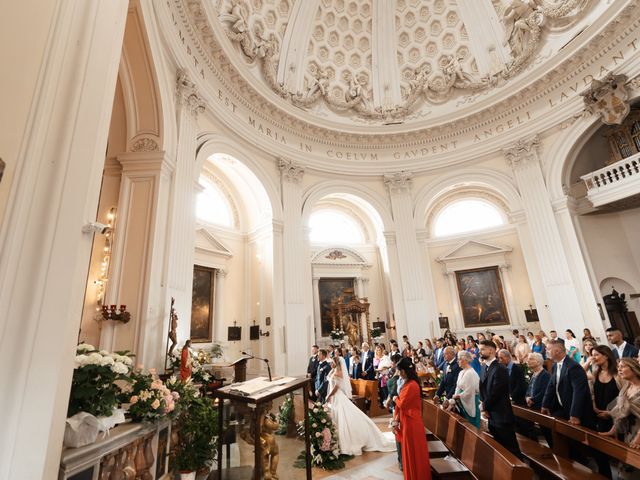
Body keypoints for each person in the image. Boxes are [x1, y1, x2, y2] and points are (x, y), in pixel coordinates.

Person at [325, 357, 396, 456]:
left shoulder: (339, 372)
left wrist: (329, 395)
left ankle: (348, 440)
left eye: (332, 363)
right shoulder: (334, 370)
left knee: (344, 416)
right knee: (339, 416)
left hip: (338, 396)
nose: (330, 364)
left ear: (336, 363)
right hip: (335, 397)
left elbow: (337, 386)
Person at [479, 340, 521, 457]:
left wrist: (484, 407)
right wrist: (484, 407)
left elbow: (496, 392)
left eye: (482, 349)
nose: (479, 352)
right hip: (490, 413)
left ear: (491, 350)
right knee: (499, 448)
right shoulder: (483, 367)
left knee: (511, 448)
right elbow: (482, 387)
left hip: (502, 414)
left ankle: (522, 473)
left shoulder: (500, 368)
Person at [542, 339, 596, 428]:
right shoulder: (555, 365)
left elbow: (579, 392)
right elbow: (551, 386)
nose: (546, 352)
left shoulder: (573, 366)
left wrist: (575, 414)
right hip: (564, 408)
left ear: (557, 351)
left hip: (579, 412)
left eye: (548, 349)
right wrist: (545, 404)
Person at [393, 357, 431, 479]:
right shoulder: (408, 383)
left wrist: (395, 399)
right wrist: (396, 419)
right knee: (410, 452)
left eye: (399, 371)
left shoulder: (412, 385)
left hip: (412, 423)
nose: (398, 373)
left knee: (415, 452)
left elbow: (402, 404)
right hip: (407, 421)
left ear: (403, 371)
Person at [591, 345, 619, 477]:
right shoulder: (596, 372)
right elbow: (594, 393)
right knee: (599, 450)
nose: (593, 357)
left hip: (617, 418)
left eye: (596, 355)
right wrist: (595, 408)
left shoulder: (618, 373)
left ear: (606, 355)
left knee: (619, 451)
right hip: (599, 416)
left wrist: (610, 413)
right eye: (592, 354)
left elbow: (624, 397)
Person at [446, 350, 480, 428]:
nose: (458, 361)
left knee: (472, 426)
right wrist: (454, 397)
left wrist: (458, 396)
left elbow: (469, 391)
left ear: (465, 360)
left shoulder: (471, 373)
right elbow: (457, 387)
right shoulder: (461, 372)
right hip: (462, 401)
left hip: (471, 401)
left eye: (459, 359)